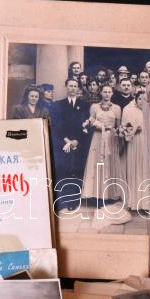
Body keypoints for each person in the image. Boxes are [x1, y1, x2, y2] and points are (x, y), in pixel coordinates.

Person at [49, 79, 92, 211]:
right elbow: (55, 125)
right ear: (66, 87)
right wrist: (67, 140)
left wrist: (77, 140)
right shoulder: (58, 105)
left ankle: (73, 200)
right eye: (70, 86)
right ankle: (62, 200)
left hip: (79, 143)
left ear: (78, 88)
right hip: (62, 143)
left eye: (75, 86)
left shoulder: (84, 105)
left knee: (76, 171)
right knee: (63, 171)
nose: (73, 88)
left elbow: (87, 124)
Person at [81, 85, 124, 203]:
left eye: (109, 92)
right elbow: (90, 122)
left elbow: (118, 126)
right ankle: (94, 194)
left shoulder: (117, 108)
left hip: (110, 138)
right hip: (98, 137)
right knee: (96, 162)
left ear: (112, 93)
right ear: (101, 92)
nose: (107, 94)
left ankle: (109, 194)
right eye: (105, 92)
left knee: (109, 163)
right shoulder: (94, 107)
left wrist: (118, 132)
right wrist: (96, 125)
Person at [121, 90, 150, 210]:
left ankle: (146, 203)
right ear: (136, 100)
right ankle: (134, 202)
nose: (142, 101)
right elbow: (125, 127)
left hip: (147, 143)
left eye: (144, 99)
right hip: (134, 142)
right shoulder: (130, 111)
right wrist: (133, 130)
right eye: (139, 99)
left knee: (145, 170)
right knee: (135, 169)